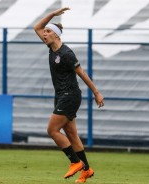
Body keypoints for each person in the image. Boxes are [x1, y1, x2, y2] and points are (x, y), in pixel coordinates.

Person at [34, 7, 104, 183]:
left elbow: (82, 74)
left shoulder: (66, 53)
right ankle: (86, 170)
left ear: (56, 35)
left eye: (48, 32)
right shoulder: (52, 48)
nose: (44, 34)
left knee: (52, 130)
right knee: (72, 135)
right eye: (45, 32)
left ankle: (75, 162)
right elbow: (36, 27)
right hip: (61, 96)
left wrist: (96, 93)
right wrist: (52, 15)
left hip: (70, 95)